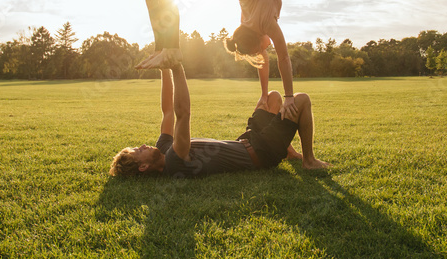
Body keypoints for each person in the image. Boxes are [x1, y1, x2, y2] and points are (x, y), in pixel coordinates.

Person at [135, 0, 296, 117]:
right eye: (261, 49)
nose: (268, 46)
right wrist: (289, 97)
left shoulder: (251, 23)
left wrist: (264, 94)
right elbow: (283, 58)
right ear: (256, 40)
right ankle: (167, 48)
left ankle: (162, 48)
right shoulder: (266, 23)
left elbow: (263, 63)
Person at [109, 61, 330, 178]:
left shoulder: (163, 147)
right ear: (143, 167)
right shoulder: (175, 161)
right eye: (138, 151)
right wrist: (177, 67)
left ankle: (289, 152)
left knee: (272, 97)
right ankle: (308, 161)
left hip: (248, 140)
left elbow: (167, 111)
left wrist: (163, 68)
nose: (142, 145)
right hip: (262, 153)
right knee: (301, 100)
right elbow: (181, 114)